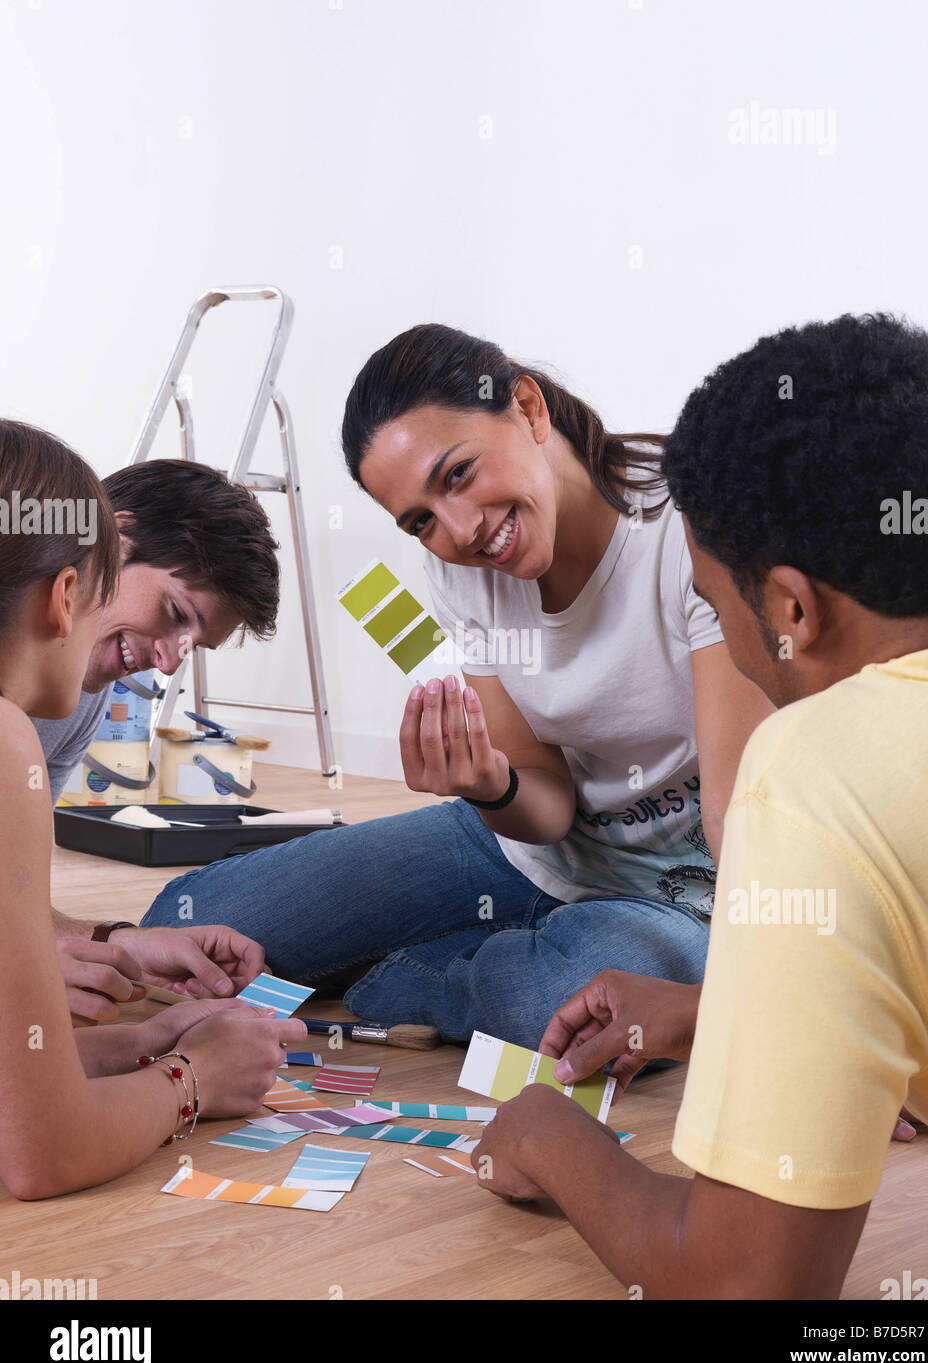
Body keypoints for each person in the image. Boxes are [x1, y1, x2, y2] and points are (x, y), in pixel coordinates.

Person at [470, 312, 928, 1298]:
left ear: (790, 608)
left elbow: (742, 1286)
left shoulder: (818, 769)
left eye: (714, 601)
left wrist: (551, 1139)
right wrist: (720, 1012)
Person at [142, 325, 772, 1047]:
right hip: (536, 854)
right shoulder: (460, 569)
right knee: (191, 921)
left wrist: (799, 1013)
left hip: (685, 891)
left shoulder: (692, 524)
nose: (463, 531)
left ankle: (404, 976)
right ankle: (495, 950)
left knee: (558, 1001)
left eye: (458, 474)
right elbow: (548, 805)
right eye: (421, 522)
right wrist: (491, 785)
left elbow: (738, 817)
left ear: (528, 408)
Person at [0, 420, 305, 1199]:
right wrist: (192, 1076)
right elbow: (42, 1154)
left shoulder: (65, 710)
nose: (167, 664)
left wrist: (134, 1022)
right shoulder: (7, 741)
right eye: (174, 613)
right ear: (73, 588)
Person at [40, 457, 280, 1023]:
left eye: (193, 643)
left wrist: (114, 941)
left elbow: (10, 901)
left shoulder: (81, 696)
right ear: (115, 541)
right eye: (175, 613)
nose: (168, 663)